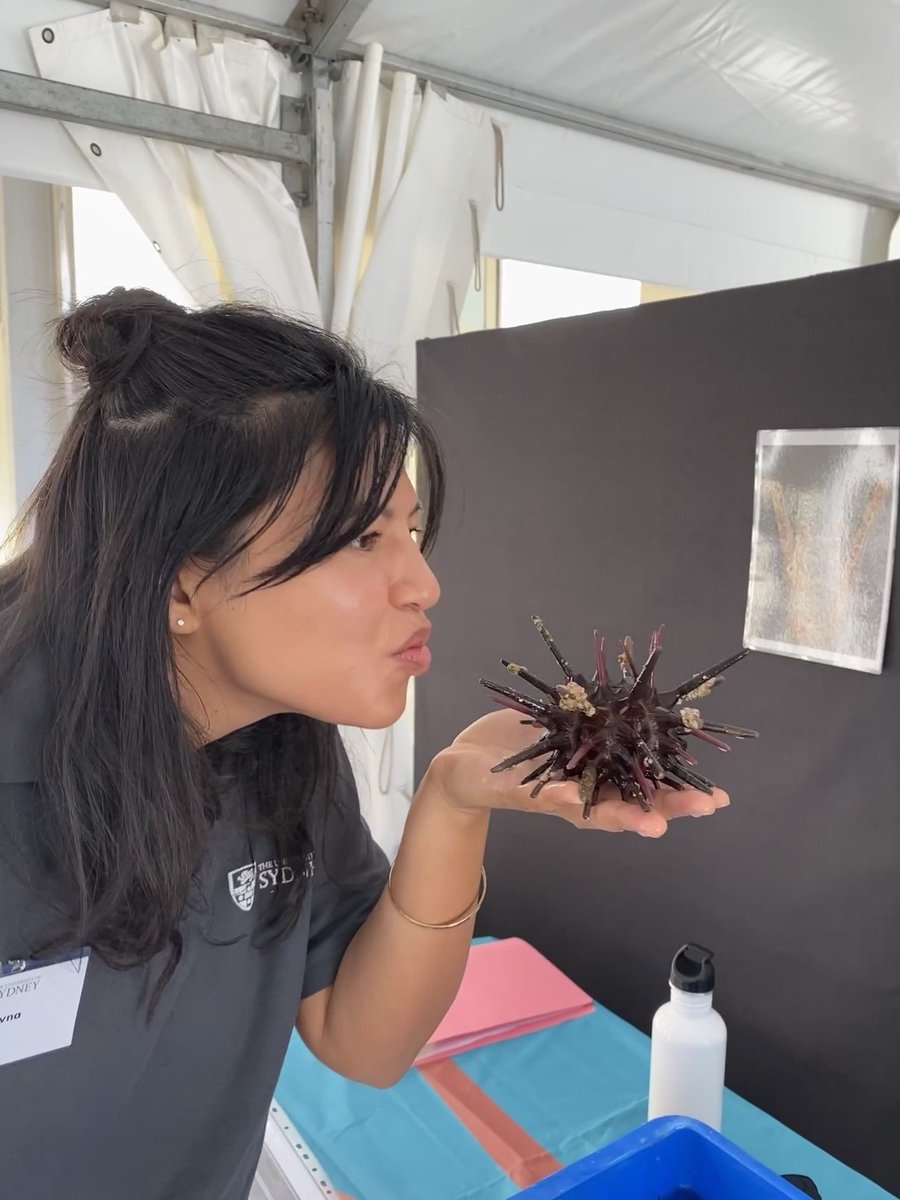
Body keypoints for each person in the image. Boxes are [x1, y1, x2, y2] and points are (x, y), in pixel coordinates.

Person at [0, 289, 727, 1199]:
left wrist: (456, 801)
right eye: (360, 538)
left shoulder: (276, 737)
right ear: (182, 582)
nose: (422, 581)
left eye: (411, 531)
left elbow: (364, 1040)